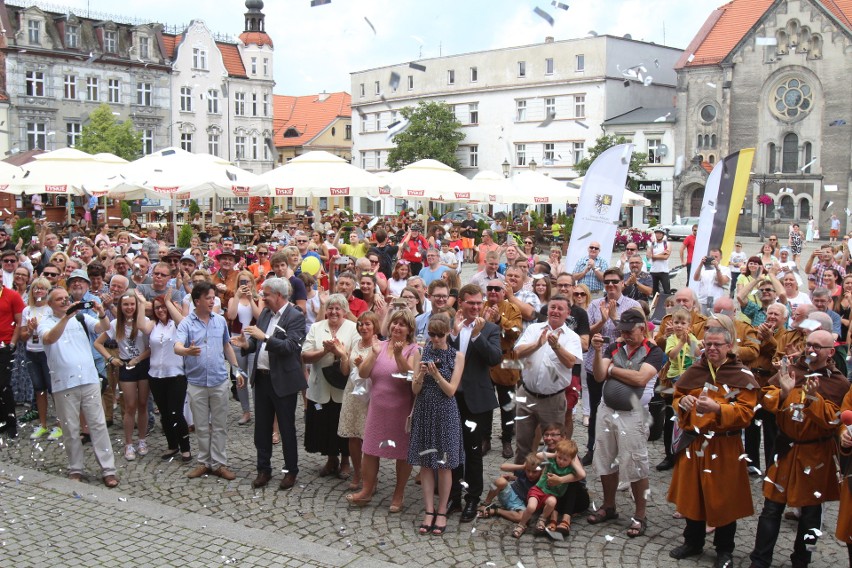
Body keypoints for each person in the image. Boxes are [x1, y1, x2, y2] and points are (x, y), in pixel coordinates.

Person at [748, 329, 849, 568]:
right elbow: (766, 398)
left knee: (811, 514)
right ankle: (760, 561)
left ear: (831, 352)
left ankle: (801, 561)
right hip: (786, 449)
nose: (811, 349)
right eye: (809, 344)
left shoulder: (839, 382)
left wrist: (813, 399)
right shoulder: (792, 369)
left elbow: (835, 421)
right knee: (771, 508)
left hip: (815, 454)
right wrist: (784, 392)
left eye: (817, 346)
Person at [667, 319, 759, 568]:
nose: (712, 349)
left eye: (717, 344)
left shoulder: (742, 375)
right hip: (696, 442)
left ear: (729, 346)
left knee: (723, 498)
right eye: (708, 344)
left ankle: (724, 549)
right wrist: (682, 403)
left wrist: (719, 408)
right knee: (693, 494)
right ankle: (693, 541)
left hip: (724, 445)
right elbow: (677, 395)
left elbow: (747, 412)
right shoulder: (696, 370)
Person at [588, 307, 664, 538]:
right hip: (607, 409)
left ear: (642, 328)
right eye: (623, 330)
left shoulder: (654, 351)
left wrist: (613, 369)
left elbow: (641, 377)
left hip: (633, 414)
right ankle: (608, 506)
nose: (625, 335)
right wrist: (600, 352)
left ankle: (640, 515)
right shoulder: (615, 346)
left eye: (630, 331)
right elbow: (600, 376)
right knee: (605, 458)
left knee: (636, 463)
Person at [231, 277, 306, 491]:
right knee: (261, 428)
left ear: (279, 296)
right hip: (262, 379)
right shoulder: (265, 313)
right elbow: (255, 343)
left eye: (266, 295)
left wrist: (263, 338)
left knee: (286, 427)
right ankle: (263, 469)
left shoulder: (295, 316)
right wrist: (247, 344)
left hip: (283, 380)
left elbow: (290, 347)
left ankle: (291, 470)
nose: (262, 298)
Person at [39, 287, 115, 485]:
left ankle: (108, 469)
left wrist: (101, 312)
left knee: (98, 425)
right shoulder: (45, 322)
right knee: (71, 428)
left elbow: (103, 328)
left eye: (66, 298)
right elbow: (49, 338)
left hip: (89, 378)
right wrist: (66, 317)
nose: (65, 301)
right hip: (63, 383)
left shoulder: (81, 318)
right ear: (50, 304)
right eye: (59, 299)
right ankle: (76, 468)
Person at [347, 309, 418, 512]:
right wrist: (374, 354)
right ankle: (367, 490)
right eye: (395, 323)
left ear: (409, 329)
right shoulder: (380, 345)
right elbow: (363, 372)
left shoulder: (413, 349)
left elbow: (410, 373)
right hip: (377, 406)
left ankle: (398, 494)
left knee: (402, 453)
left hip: (401, 408)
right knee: (369, 450)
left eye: (402, 324)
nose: (397, 327)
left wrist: (398, 355)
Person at [175, 282, 243, 481]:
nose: (213, 300)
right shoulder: (187, 323)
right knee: (202, 426)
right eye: (209, 297)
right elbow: (177, 346)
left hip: (219, 380)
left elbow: (226, 345)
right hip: (196, 382)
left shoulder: (220, 321)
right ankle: (204, 462)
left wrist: (236, 369)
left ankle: (219, 464)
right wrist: (187, 351)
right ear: (197, 301)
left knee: (220, 425)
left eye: (213, 297)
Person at [447, 284, 502, 522]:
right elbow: (443, 355)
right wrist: (453, 335)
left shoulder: (489, 328)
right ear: (461, 302)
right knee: (452, 449)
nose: (476, 307)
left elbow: (494, 358)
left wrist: (478, 335)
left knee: (473, 451)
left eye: (480, 303)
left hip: (476, 400)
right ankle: (453, 496)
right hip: (451, 397)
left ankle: (472, 498)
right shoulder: (452, 326)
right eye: (472, 303)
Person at [408, 312, 465, 536]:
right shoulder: (421, 353)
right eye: (432, 334)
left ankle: (442, 511)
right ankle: (429, 511)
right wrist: (421, 375)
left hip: (445, 412)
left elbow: (451, 391)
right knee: (426, 463)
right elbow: (414, 390)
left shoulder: (457, 356)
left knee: (444, 464)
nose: (436, 339)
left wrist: (437, 375)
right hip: (424, 411)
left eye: (440, 335)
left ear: (448, 333)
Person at [512, 295, 582, 464]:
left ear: (568, 313)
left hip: (553, 399)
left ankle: (551, 482)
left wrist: (556, 346)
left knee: (554, 444)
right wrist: (537, 344)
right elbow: (518, 353)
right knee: (523, 442)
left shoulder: (572, 337)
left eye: (560, 308)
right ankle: (521, 482)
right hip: (527, 394)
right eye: (552, 307)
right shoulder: (534, 329)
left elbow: (571, 362)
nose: (555, 311)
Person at [582, 268, 641, 466]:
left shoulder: (632, 305)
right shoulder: (594, 304)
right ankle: (591, 448)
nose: (610, 285)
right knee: (595, 409)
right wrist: (602, 320)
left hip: (621, 366)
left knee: (618, 411)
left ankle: (618, 452)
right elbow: (587, 332)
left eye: (615, 281)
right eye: (607, 282)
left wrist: (615, 318)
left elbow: (636, 333)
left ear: (622, 283)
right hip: (595, 364)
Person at [302, 294, 358, 478]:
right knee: (324, 424)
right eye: (330, 308)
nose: (334, 312)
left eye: (338, 308)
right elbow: (304, 355)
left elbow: (358, 355)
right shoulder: (316, 327)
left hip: (344, 387)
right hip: (320, 386)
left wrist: (341, 352)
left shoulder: (353, 328)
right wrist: (324, 351)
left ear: (344, 311)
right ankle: (331, 459)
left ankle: (345, 461)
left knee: (344, 425)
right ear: (325, 310)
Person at [95, 292, 150, 461]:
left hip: (143, 364)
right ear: (120, 307)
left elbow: (152, 346)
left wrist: (139, 358)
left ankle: (142, 440)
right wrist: (111, 358)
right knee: (130, 405)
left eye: (132, 304)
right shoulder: (115, 324)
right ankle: (128, 443)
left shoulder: (144, 322)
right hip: (126, 365)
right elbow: (98, 343)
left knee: (143, 404)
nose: (129, 308)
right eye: (125, 305)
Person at [143, 293, 191, 462]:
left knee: (176, 412)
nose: (161, 310)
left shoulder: (176, 325)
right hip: (156, 374)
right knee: (164, 413)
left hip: (175, 374)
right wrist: (141, 301)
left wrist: (169, 302)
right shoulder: (153, 325)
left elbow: (183, 321)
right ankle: (172, 445)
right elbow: (142, 326)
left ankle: (185, 448)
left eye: (163, 307)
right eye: (157, 307)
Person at [338, 311, 380, 491]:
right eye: (361, 324)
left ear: (375, 326)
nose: (363, 327)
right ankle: (357, 472)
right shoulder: (355, 343)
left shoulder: (380, 346)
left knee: (369, 437)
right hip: (352, 393)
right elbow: (345, 371)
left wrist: (364, 364)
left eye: (367, 324)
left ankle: (371, 477)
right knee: (353, 436)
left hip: (371, 394)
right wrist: (342, 356)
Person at [480, 278, 522, 458]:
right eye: (490, 288)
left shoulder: (512, 309)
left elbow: (515, 333)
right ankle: (485, 439)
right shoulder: (481, 307)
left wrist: (499, 320)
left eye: (497, 289)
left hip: (506, 358)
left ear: (504, 292)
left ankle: (506, 440)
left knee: (507, 405)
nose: (493, 292)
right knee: (485, 405)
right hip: (485, 360)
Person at [511, 439, 585, 538]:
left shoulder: (570, 469)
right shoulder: (551, 461)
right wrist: (554, 455)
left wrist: (572, 462)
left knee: (552, 502)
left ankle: (542, 519)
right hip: (539, 490)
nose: (561, 461)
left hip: (551, 494)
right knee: (531, 507)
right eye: (559, 457)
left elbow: (582, 474)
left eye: (565, 459)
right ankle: (521, 524)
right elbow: (538, 455)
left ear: (571, 460)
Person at [19, 277, 58, 440]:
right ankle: (43, 424)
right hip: (31, 351)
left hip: (47, 352)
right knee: (39, 389)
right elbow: (22, 335)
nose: (38, 291)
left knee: (53, 389)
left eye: (42, 288)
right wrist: (29, 330)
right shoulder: (27, 310)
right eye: (36, 288)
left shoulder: (50, 310)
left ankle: (59, 424)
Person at [227, 270, 261, 426]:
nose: (245, 284)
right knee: (241, 377)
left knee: (255, 378)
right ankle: (245, 411)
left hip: (253, 341)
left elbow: (259, 317)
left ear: (252, 283)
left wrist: (250, 298)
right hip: (237, 340)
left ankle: (259, 409)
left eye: (248, 281)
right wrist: (237, 296)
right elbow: (231, 316)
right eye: (242, 282)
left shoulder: (257, 298)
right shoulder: (233, 299)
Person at [479, 453, 544, 524]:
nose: (530, 474)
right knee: (499, 481)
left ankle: (496, 510)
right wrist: (523, 466)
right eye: (528, 471)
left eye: (534, 472)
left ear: (541, 471)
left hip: (520, 505)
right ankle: (486, 502)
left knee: (522, 517)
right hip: (509, 493)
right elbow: (502, 467)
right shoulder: (523, 471)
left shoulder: (542, 479)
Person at [0, 276, 25, 439]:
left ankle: (11, 422)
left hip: (5, 344)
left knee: (3, 385)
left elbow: (19, 320)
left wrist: (12, 344)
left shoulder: (12, 295)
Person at [692, 248, 731, 313]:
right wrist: (701, 264)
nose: (714, 259)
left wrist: (717, 268)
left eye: (716, 257)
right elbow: (695, 278)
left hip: (716, 302)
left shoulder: (725, 269)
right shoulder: (704, 269)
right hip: (702, 301)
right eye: (712, 257)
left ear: (721, 257)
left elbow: (721, 282)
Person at [648, 228, 672, 294]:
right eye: (657, 233)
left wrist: (654, 256)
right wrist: (662, 253)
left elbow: (666, 257)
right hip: (653, 271)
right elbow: (649, 256)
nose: (658, 235)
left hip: (664, 271)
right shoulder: (652, 244)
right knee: (654, 292)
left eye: (660, 233)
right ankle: (655, 304)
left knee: (667, 291)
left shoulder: (667, 244)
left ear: (663, 235)